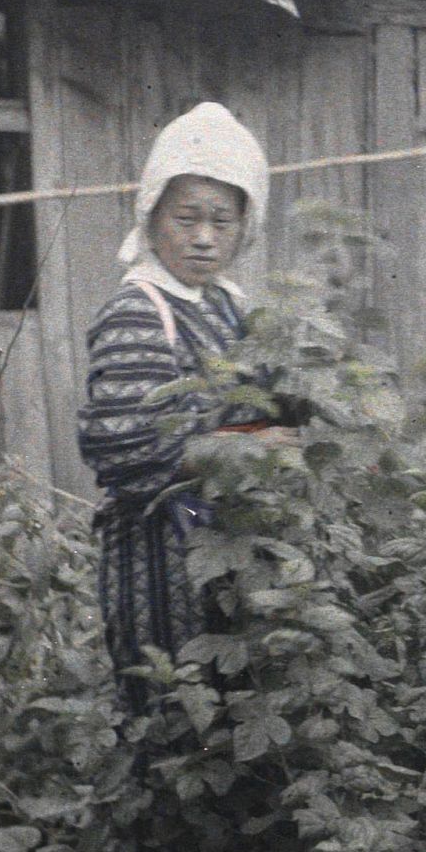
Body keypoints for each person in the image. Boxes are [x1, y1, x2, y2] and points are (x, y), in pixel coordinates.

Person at [77, 102, 300, 717]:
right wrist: (245, 446)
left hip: (236, 546)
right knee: (176, 711)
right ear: (152, 215)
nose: (204, 237)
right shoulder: (139, 310)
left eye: (222, 221)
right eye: (186, 218)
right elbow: (125, 450)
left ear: (246, 225)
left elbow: (277, 407)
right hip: (163, 553)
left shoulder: (231, 307)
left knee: (244, 713)